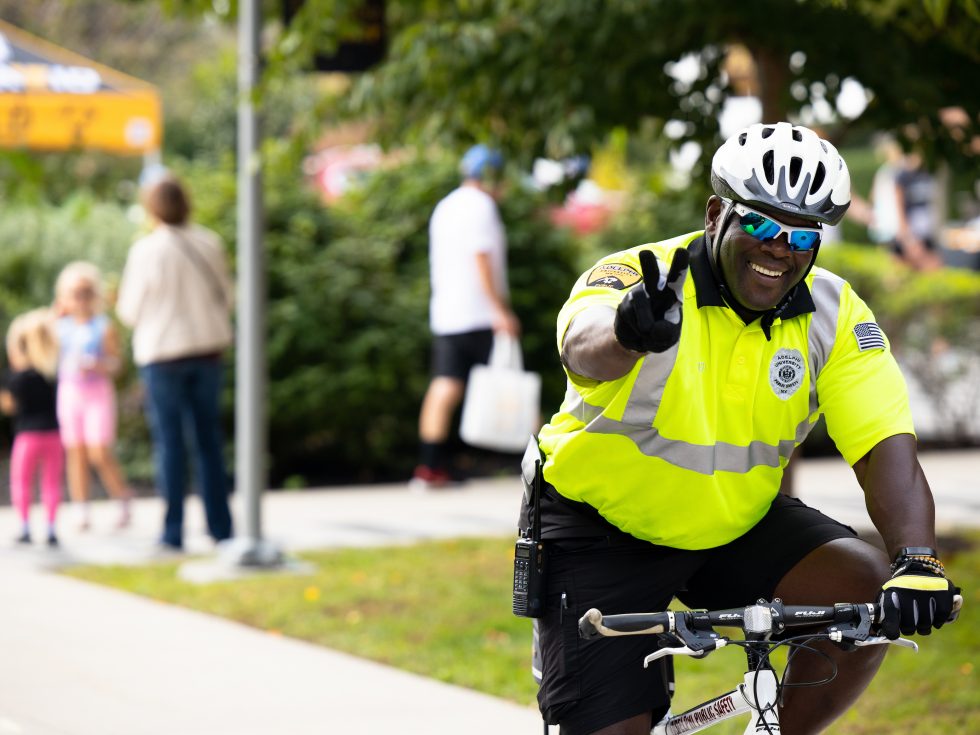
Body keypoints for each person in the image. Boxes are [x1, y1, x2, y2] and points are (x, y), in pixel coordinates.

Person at [528, 122, 959, 735]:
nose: (779, 247)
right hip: (601, 529)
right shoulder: (642, 280)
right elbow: (581, 348)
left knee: (865, 587)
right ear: (715, 213)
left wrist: (918, 558)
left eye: (802, 234)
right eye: (760, 224)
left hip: (732, 524)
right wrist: (629, 331)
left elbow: (882, 444)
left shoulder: (837, 317)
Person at [116, 172, 234, 551]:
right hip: (206, 350)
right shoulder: (209, 243)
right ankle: (221, 529)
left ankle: (172, 532)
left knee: (170, 445)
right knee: (208, 443)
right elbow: (228, 298)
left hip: (162, 355)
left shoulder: (146, 250)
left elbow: (129, 311)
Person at [411, 144, 521, 489]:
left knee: (445, 385)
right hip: (479, 313)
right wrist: (499, 310)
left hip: (448, 311)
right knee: (511, 383)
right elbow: (481, 258)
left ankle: (430, 466)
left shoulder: (446, 206)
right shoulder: (481, 206)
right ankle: (541, 464)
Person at [53, 261, 133, 531]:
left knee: (99, 450)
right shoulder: (60, 327)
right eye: (75, 293)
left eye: (86, 292)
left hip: (97, 392)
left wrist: (98, 365)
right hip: (70, 392)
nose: (81, 299)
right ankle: (81, 507)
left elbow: (117, 364)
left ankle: (122, 497)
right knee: (75, 450)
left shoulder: (103, 326)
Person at [1, 308, 64, 546]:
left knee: (22, 481)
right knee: (51, 483)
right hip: (54, 435)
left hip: (28, 436)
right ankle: (50, 528)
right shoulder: (51, 373)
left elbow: (9, 407)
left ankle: (26, 526)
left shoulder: (17, 378)